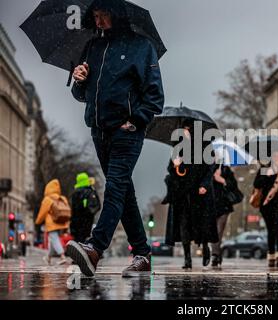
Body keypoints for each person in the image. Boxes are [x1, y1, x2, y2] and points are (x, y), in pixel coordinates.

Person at [66, 0, 164, 278]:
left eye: (104, 16)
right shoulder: (92, 48)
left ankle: (95, 248)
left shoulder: (141, 47)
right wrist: (80, 79)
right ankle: (143, 254)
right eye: (95, 16)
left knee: (116, 186)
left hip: (127, 131)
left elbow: (155, 97)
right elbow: (80, 95)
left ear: (117, 15)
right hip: (99, 130)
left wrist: (133, 122)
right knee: (124, 193)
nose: (99, 22)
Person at [164, 121, 219, 269]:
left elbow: (210, 168)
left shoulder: (205, 145)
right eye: (183, 129)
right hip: (182, 194)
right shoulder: (178, 147)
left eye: (188, 129)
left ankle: (206, 247)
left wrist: (204, 185)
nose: (185, 132)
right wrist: (176, 164)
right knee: (184, 225)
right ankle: (187, 258)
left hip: (200, 193)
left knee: (203, 224)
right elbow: (171, 170)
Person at [35, 179, 70, 265]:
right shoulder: (62, 198)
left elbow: (42, 213)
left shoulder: (47, 199)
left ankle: (62, 256)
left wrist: (37, 221)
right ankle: (48, 257)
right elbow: (67, 211)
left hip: (52, 223)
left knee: (54, 238)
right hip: (62, 222)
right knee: (53, 240)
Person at [211, 164, 240, 267]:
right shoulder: (207, 169)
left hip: (224, 206)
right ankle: (217, 254)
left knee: (218, 231)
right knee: (212, 231)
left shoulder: (226, 170)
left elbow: (234, 186)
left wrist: (222, 180)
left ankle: (214, 255)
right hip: (210, 206)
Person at [70, 173, 101, 243]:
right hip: (87, 220)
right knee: (84, 238)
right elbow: (97, 206)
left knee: (78, 239)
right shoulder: (90, 191)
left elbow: (73, 209)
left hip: (76, 221)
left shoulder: (75, 192)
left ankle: (77, 249)